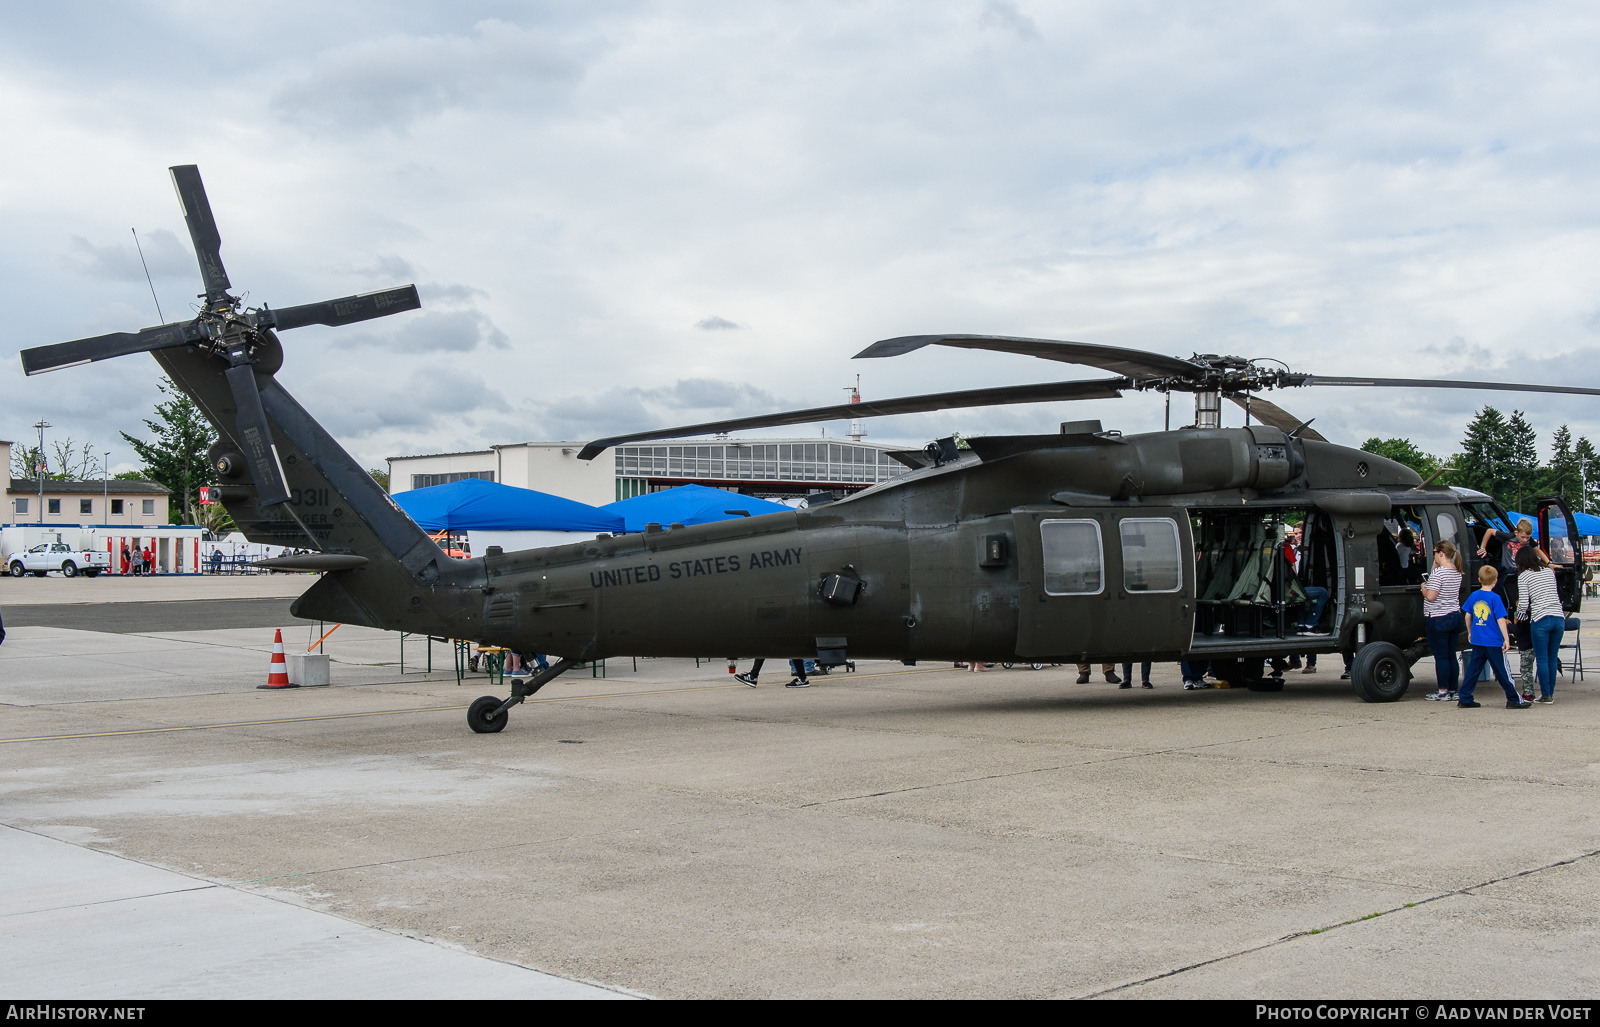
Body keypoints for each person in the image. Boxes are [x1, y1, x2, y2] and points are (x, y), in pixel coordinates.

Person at [1458, 565, 1532, 709]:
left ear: (1479, 579)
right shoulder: (1495, 598)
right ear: (1496, 581)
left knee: (1473, 669)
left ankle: (1465, 697)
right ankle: (1513, 698)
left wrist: (1470, 632)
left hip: (1478, 639)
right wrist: (1506, 638)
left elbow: (1468, 615)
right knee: (1502, 670)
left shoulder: (1474, 596)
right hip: (1493, 640)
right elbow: (1500, 620)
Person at [1514, 544, 1564, 704]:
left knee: (1541, 659)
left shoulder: (1524, 576)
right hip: (1558, 617)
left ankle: (1546, 694)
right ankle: (1551, 693)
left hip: (1541, 619)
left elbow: (1523, 604)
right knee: (1551, 657)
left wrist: (1518, 617)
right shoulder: (1549, 572)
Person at [1421, 541, 1466, 701]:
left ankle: (1442, 690)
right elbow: (1436, 572)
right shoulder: (1456, 571)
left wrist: (1423, 589)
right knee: (1451, 655)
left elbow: (1431, 596)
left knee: (1441, 657)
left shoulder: (1439, 574)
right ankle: (1453, 689)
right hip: (1454, 615)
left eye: (1434, 553)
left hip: (1438, 617)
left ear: (1441, 553)